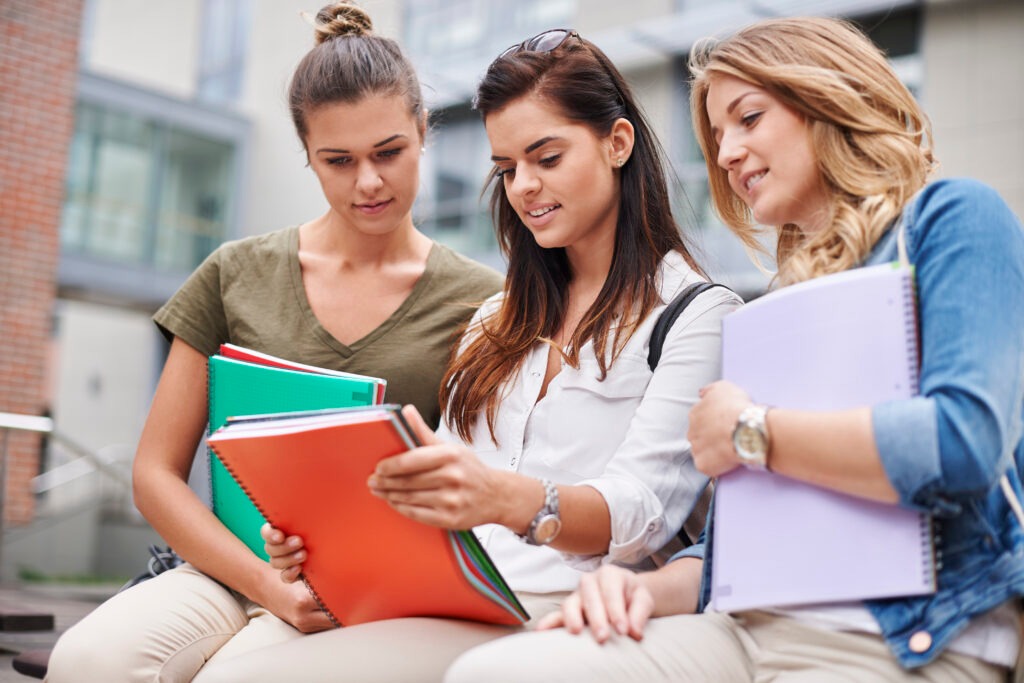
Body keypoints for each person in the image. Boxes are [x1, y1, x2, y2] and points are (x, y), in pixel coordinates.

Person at [442, 16, 1024, 683]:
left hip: (907, 636)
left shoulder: (953, 219)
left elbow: (963, 441)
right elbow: (734, 542)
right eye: (717, 136)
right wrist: (641, 587)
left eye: (748, 118)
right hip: (743, 627)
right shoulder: (779, 299)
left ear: (826, 98)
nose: (725, 154)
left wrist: (753, 431)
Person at [189, 26, 741, 683]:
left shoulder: (696, 314)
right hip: (450, 595)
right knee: (227, 666)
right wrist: (322, 524)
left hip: (568, 609)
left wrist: (506, 498)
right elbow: (443, 495)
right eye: (507, 168)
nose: (524, 187)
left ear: (617, 143)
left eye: (546, 158)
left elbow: (639, 513)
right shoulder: (495, 320)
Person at [44, 3, 503, 681]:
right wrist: (264, 584)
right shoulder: (235, 273)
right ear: (307, 157)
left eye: (388, 152)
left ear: (423, 131)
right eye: (338, 160)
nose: (368, 181)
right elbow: (154, 473)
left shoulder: (482, 300)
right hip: (226, 570)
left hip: (371, 590)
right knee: (85, 660)